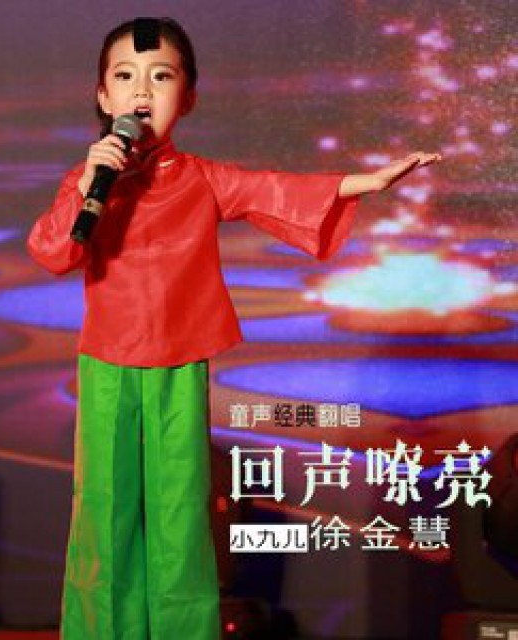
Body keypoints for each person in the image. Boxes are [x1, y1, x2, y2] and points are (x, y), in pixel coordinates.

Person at [27, 16, 442, 640]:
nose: (142, 89)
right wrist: (90, 183)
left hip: (179, 361)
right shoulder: (89, 181)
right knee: (104, 512)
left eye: (161, 76)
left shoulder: (202, 179)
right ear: (104, 97)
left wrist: (370, 181)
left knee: (180, 514)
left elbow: (275, 191)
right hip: (108, 362)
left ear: (188, 96)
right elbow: (52, 251)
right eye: (126, 76)